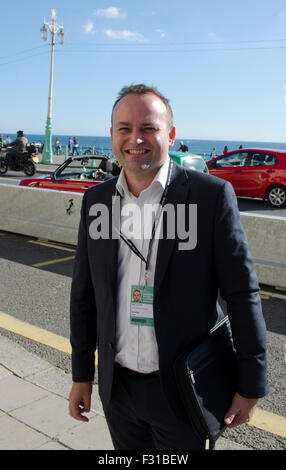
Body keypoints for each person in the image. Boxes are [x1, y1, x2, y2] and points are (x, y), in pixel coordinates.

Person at [69, 84, 268, 450]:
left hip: (185, 388)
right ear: (111, 135)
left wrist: (251, 382)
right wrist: (82, 374)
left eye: (149, 127)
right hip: (119, 390)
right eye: (124, 128)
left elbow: (242, 293)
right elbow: (84, 294)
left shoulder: (210, 196)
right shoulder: (96, 201)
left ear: (171, 135)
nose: (135, 139)